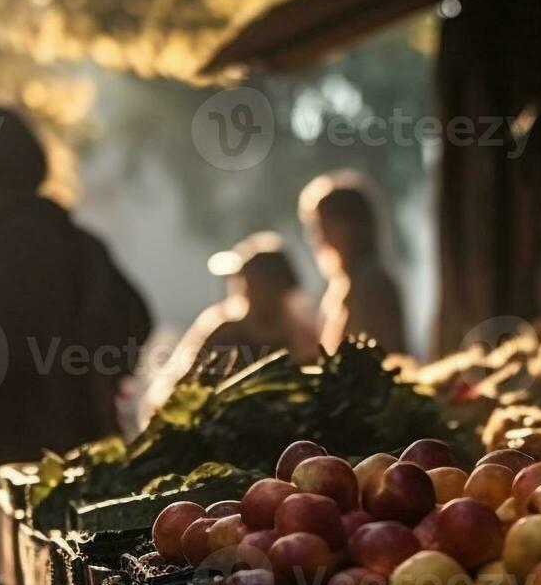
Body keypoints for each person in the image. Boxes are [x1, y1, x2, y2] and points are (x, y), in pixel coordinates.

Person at [0, 107, 152, 584]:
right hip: (79, 464)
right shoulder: (78, 243)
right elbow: (135, 318)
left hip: (8, 470)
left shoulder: (11, 246)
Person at [144, 233, 318, 414]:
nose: (256, 293)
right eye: (251, 284)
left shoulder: (301, 338)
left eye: (263, 284)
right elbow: (185, 388)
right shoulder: (225, 335)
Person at [298, 171, 407, 354]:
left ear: (348, 226)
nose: (317, 237)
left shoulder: (373, 285)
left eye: (322, 225)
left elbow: (385, 356)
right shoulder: (339, 289)